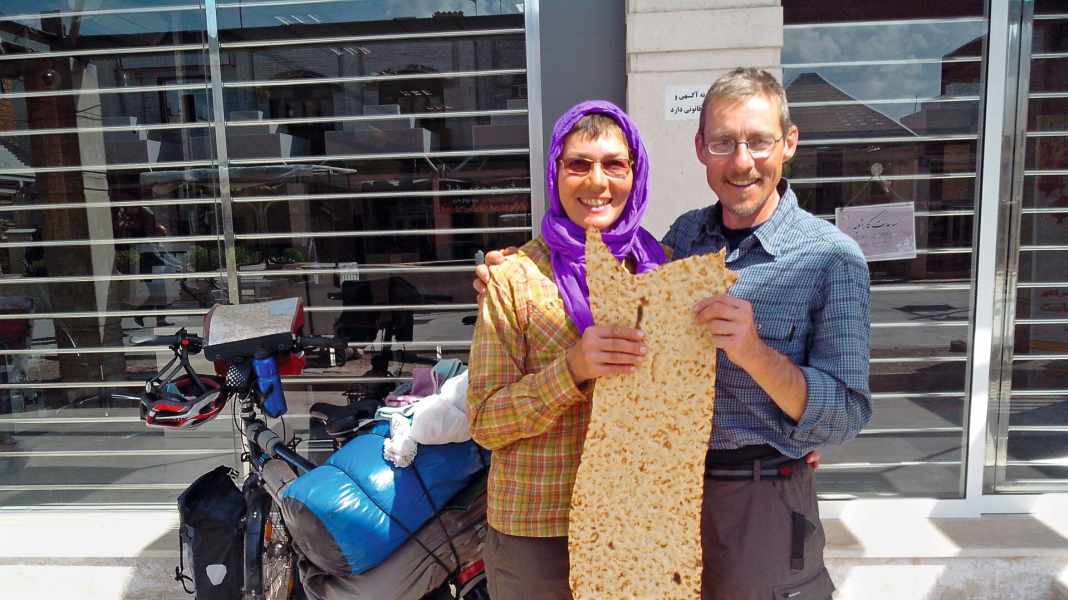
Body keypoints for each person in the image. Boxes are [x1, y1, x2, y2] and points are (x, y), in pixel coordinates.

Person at [474, 68, 872, 600]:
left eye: (758, 141)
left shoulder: (830, 258)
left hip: (757, 505)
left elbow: (844, 414)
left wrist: (757, 359)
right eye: (724, 142)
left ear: (789, 143)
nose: (742, 161)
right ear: (701, 149)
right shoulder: (678, 243)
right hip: (641, 507)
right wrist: (512, 276)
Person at [466, 100, 666, 600]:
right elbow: (485, 420)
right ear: (555, 172)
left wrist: (781, 436)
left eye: (614, 164)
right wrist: (572, 369)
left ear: (634, 173)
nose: (597, 182)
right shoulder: (514, 280)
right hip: (539, 530)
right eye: (579, 164)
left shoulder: (661, 273)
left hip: (633, 523)